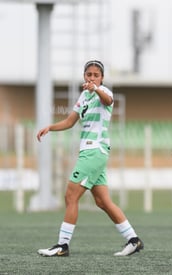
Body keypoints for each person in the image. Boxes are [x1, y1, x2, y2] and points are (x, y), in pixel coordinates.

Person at [36, 60, 144, 257]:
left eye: (96, 75)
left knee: (70, 195)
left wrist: (96, 89)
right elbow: (70, 121)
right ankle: (133, 240)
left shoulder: (104, 92)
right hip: (92, 153)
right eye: (89, 74)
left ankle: (62, 245)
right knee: (103, 202)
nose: (92, 77)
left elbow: (108, 101)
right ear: (84, 76)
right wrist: (50, 127)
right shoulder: (84, 95)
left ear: (101, 78)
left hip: (94, 152)